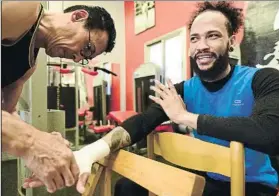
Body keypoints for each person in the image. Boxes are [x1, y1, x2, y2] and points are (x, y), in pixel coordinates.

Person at [24, 1, 279, 195]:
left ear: (231, 41)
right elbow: (141, 123)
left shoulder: (262, 80)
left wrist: (186, 117)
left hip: (253, 185)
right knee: (127, 188)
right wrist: (88, 153)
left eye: (213, 36)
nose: (202, 45)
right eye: (195, 38)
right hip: (211, 177)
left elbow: (269, 134)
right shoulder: (183, 90)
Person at [1, 1, 116, 194]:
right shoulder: (24, 8)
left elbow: (7, 115)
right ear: (78, 16)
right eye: (87, 48)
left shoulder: (27, 68)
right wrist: (32, 141)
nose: (78, 59)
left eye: (85, 57)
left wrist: (47, 143)